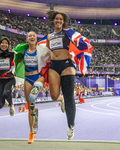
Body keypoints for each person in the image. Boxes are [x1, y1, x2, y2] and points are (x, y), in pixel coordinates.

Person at [46, 10, 93, 140]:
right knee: (54, 96)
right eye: (57, 19)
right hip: (54, 66)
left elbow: (79, 42)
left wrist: (74, 54)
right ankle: (61, 101)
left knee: (69, 97)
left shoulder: (68, 33)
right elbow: (49, 50)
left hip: (67, 65)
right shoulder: (49, 36)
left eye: (61, 19)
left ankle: (71, 126)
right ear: (53, 20)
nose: (59, 21)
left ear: (63, 21)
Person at [13, 31, 53, 144]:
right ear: (26, 39)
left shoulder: (41, 49)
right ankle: (32, 132)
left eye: (34, 36)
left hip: (39, 77)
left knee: (32, 96)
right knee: (30, 106)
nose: (32, 37)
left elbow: (51, 52)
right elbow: (11, 53)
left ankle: (34, 121)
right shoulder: (23, 51)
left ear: (36, 39)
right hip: (27, 78)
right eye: (29, 36)